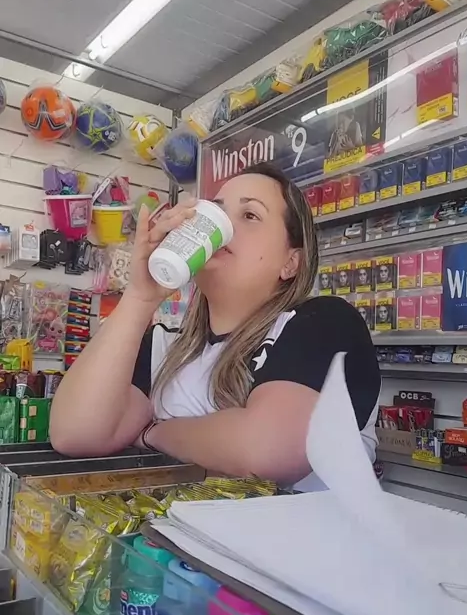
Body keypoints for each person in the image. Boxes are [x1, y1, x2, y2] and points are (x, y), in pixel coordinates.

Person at [50, 164, 381, 490]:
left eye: (250, 215)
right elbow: (75, 434)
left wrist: (154, 432)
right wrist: (139, 297)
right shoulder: (164, 347)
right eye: (215, 212)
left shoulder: (322, 322)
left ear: (291, 262)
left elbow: (266, 451)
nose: (223, 227)